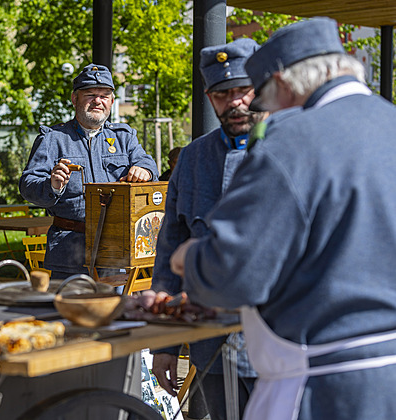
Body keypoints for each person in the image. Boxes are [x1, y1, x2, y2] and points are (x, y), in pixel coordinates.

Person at [169, 18, 396, 420]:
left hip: (323, 385)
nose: (262, 112)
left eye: (261, 98)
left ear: (282, 83)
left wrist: (191, 259)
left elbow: (234, 275)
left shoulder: (291, 139)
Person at [151, 38, 266, 420]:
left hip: (277, 346)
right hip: (210, 344)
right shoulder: (193, 158)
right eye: (221, 94)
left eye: (242, 90)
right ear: (208, 96)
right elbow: (170, 247)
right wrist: (165, 344)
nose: (233, 102)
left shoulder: (288, 148)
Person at [19, 64, 158, 279]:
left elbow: (147, 163)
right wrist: (51, 185)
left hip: (117, 252)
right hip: (70, 252)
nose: (98, 101)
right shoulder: (52, 139)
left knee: (114, 311)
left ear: (112, 101)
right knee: (70, 312)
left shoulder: (124, 137)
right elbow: (28, 185)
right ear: (75, 99)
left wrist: (144, 170)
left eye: (104, 95)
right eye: (91, 94)